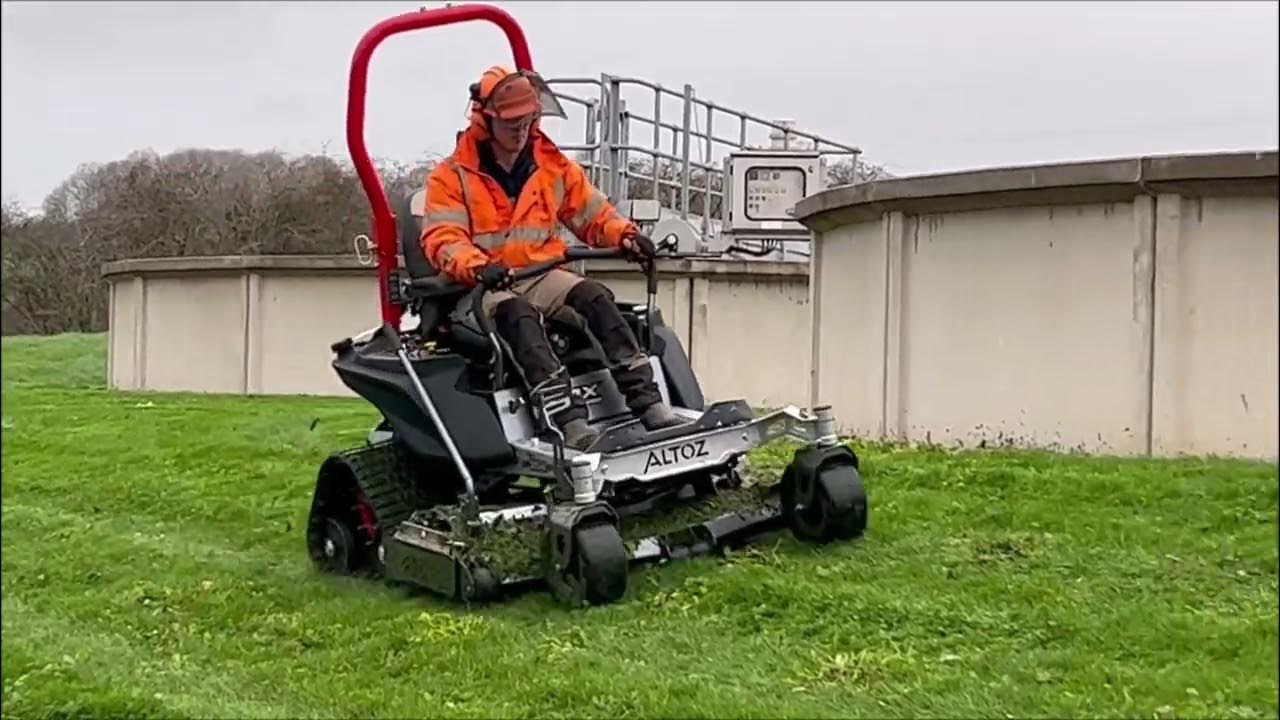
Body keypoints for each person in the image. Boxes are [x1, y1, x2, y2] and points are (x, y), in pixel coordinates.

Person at [419, 65, 686, 450]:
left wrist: (627, 236)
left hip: (541, 273)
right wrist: (479, 266)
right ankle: (569, 422)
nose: (522, 129)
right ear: (485, 119)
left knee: (595, 298)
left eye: (528, 119)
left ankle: (650, 405)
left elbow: (593, 213)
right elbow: (443, 240)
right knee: (519, 318)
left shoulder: (552, 166)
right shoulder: (451, 177)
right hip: (485, 285)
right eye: (512, 121)